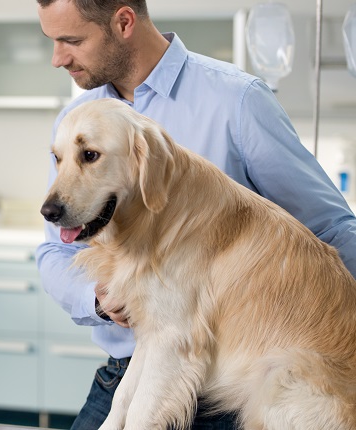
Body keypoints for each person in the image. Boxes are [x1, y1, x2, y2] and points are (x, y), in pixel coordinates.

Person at [35, 1, 356, 429]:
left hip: (239, 378)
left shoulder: (236, 100)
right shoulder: (76, 121)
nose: (58, 58)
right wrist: (98, 300)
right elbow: (54, 251)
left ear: (124, 22)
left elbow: (331, 226)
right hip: (129, 370)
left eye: (71, 40)